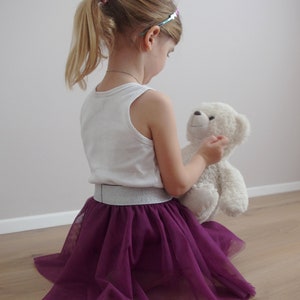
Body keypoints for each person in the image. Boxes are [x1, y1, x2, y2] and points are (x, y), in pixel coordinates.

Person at [34, 0, 256, 299]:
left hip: (103, 221)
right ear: (151, 38)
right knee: (206, 240)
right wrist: (203, 156)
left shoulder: (93, 101)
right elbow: (176, 182)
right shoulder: (153, 102)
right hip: (147, 223)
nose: (166, 60)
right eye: (169, 52)